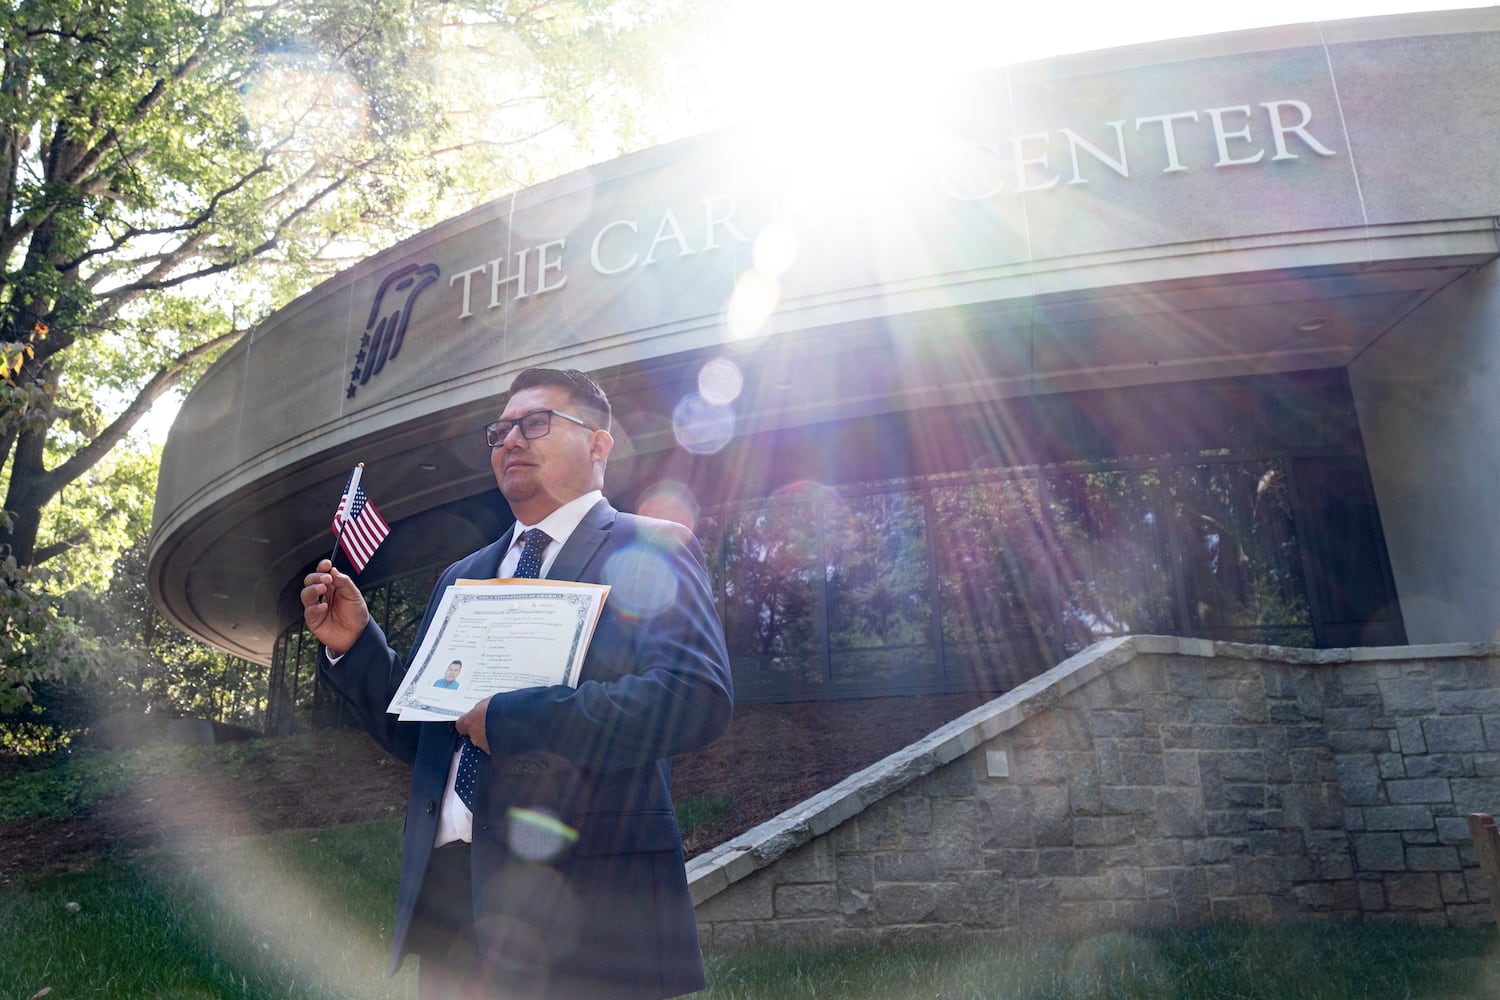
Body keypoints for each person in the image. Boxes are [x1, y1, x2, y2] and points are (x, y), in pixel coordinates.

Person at [300, 368, 733, 999]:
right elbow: (426, 732)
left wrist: (511, 719)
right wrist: (356, 647)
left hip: (590, 912)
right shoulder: (463, 576)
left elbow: (694, 697)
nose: (510, 440)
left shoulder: (654, 546)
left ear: (599, 444)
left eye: (536, 423)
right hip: (452, 901)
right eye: (500, 430)